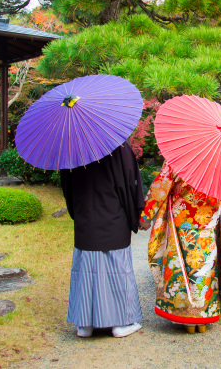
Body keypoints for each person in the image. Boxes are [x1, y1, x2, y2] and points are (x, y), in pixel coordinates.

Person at [60, 140, 145, 338]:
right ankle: (120, 323)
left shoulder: (71, 145)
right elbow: (130, 182)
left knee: (85, 270)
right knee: (116, 269)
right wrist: (136, 214)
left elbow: (66, 185)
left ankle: (85, 325)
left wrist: (78, 213)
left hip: (85, 217)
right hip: (113, 216)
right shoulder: (116, 144)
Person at [138, 161, 221, 333]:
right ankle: (203, 316)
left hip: (183, 220)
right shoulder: (218, 159)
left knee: (184, 265)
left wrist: (145, 215)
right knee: (204, 266)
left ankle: (186, 316)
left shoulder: (178, 156)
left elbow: (160, 187)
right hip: (208, 220)